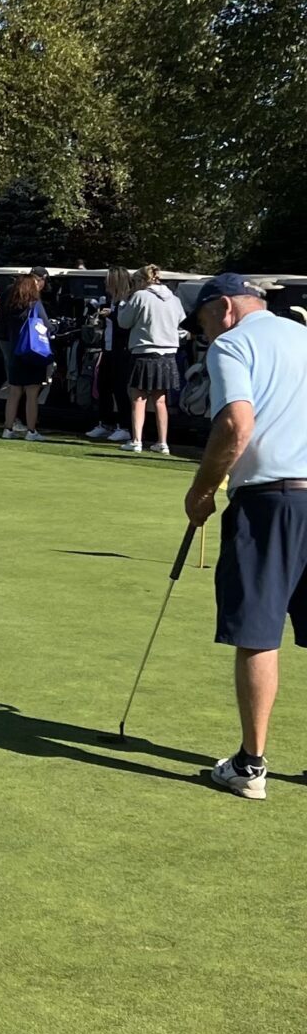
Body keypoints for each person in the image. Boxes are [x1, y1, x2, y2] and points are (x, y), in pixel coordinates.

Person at [182, 275, 307, 800]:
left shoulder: (233, 344)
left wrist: (203, 488)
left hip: (272, 502)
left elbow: (236, 423)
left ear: (225, 307)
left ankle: (250, 766)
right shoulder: (303, 336)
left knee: (257, 632)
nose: (203, 333)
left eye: (203, 321)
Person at [117, 264, 186, 455]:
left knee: (138, 398)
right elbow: (182, 324)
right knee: (160, 400)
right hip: (168, 352)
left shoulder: (140, 296)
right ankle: (162, 442)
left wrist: (123, 304)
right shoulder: (174, 299)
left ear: (140, 281)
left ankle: (137, 440)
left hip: (144, 350)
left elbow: (124, 322)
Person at [85, 266, 134, 443]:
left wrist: (111, 315)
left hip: (122, 350)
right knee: (103, 386)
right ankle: (105, 423)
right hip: (107, 347)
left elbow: (125, 324)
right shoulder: (108, 299)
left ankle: (125, 426)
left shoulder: (129, 299)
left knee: (120, 388)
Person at [0, 274, 49, 442]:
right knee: (32, 394)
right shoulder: (35, 304)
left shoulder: (10, 305)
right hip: (31, 351)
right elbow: (47, 326)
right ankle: (31, 430)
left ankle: (8, 428)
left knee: (14, 392)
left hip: (15, 352)